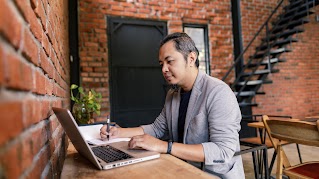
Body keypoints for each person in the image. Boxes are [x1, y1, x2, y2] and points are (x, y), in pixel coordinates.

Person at [100, 32, 244, 178]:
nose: (164, 69)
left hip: (213, 174)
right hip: (183, 169)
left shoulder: (218, 92)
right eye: (162, 64)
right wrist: (118, 132)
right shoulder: (173, 94)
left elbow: (223, 150)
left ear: (191, 59)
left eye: (170, 61)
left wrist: (164, 146)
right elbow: (157, 129)